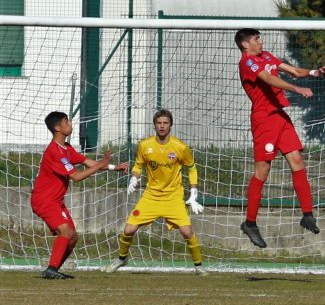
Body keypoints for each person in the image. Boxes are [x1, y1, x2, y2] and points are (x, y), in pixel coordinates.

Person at [235, 28, 325, 248]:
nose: (261, 42)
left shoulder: (266, 56)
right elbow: (268, 79)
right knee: (263, 170)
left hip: (280, 115)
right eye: (257, 39)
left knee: (297, 161)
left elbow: (294, 70)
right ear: (245, 44)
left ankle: (307, 215)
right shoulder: (248, 63)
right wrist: (296, 89)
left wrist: (313, 72)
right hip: (264, 119)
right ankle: (250, 222)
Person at [104, 109, 207, 275]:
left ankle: (199, 266)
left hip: (173, 197)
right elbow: (138, 165)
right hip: (151, 196)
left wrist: (194, 192)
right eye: (159, 123)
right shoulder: (145, 145)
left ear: (171, 126)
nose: (162, 126)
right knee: (129, 229)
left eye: (165, 123)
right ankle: (121, 258)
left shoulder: (180, 147)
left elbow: (192, 168)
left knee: (187, 232)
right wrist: (134, 178)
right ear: (154, 125)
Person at [31, 111, 128, 279]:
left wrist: (114, 167)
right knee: (66, 232)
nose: (70, 124)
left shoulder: (66, 149)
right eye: (66, 121)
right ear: (57, 128)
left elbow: (87, 162)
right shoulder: (54, 151)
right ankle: (52, 270)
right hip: (44, 200)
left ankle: (53, 270)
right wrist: (100, 166)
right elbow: (76, 177)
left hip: (55, 201)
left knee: (73, 237)